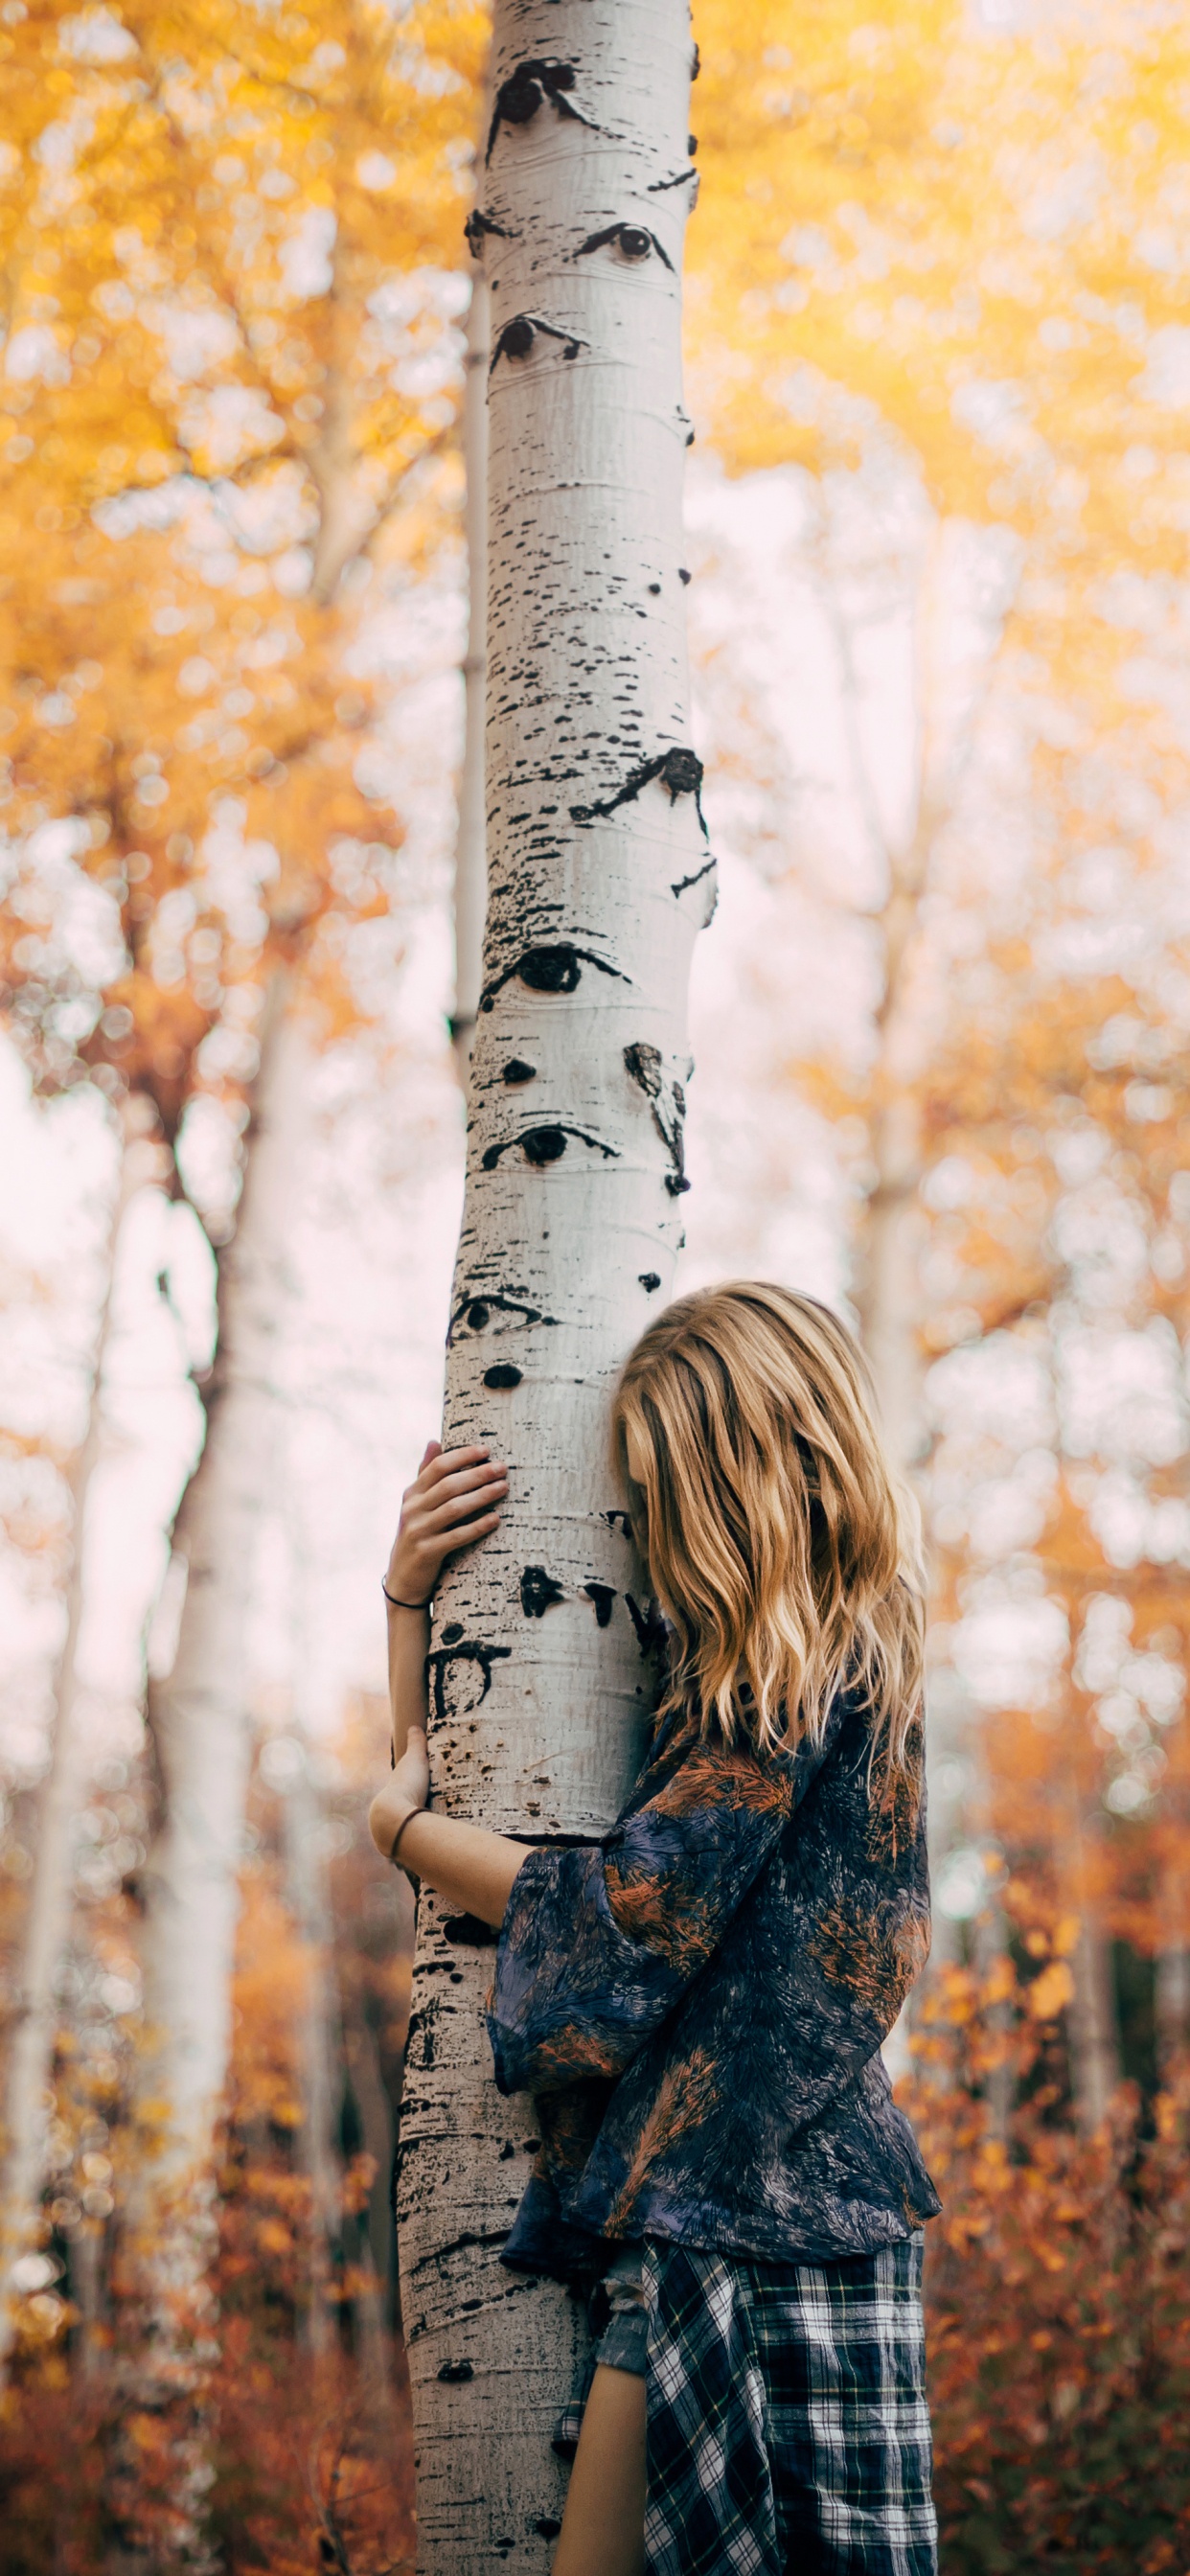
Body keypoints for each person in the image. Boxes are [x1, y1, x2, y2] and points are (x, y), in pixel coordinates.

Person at [369, 1281, 941, 2576]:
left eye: (657, 1497)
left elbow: (628, 1915)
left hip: (771, 2229)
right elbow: (438, 1780)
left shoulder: (794, 1673)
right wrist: (410, 1604)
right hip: (713, 2214)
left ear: (737, 1478)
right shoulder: (770, 1661)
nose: (649, 1536)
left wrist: (399, 1841)